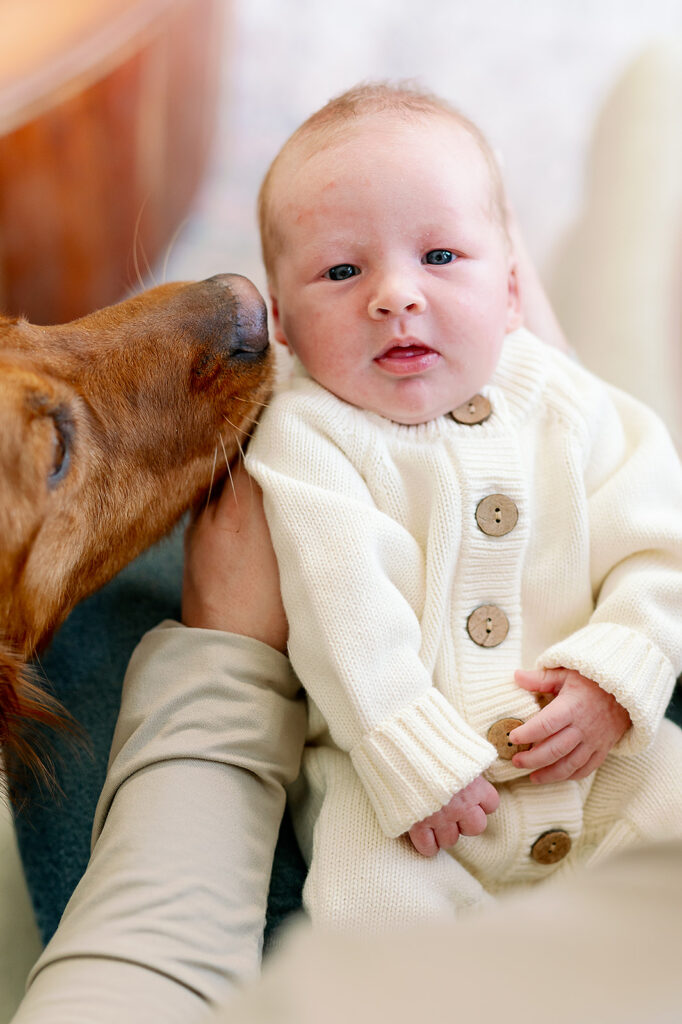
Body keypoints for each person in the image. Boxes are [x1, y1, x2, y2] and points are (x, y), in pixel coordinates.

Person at [242, 82, 682, 927]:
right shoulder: (307, 435)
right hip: (409, 801)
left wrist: (619, 675)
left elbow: (659, 544)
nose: (395, 296)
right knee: (366, 921)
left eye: (440, 258)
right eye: (342, 271)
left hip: (599, 762)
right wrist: (413, 756)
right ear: (285, 328)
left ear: (513, 292)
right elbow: (343, 614)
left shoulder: (569, 400)